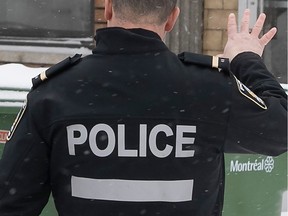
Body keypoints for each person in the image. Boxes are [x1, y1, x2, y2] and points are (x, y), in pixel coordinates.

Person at [0, 0, 287, 215]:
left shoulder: (55, 91)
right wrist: (246, 60)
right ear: (172, 18)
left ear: (109, 9)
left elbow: (11, 202)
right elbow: (281, 131)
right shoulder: (209, 90)